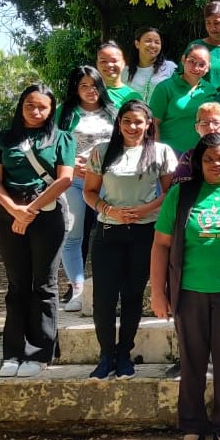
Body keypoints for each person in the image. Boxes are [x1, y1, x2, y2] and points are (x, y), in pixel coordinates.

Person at [150, 133, 220, 440]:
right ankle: (193, 425)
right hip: (189, 292)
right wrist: (159, 293)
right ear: (198, 162)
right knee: (192, 362)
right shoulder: (181, 195)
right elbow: (160, 245)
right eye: (209, 158)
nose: (216, 163)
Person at [83, 100, 177, 380]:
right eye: (127, 121)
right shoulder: (102, 152)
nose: (133, 127)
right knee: (104, 299)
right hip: (108, 232)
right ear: (119, 123)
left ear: (148, 123)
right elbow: (89, 191)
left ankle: (124, 354)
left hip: (144, 232)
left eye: (139, 121)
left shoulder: (160, 152)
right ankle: (106, 355)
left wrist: (145, 210)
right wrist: (108, 210)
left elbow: (170, 193)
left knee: (133, 295)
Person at [0, 84, 74, 378]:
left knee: (44, 284)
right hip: (11, 215)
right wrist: (16, 210)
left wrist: (31, 210)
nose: (36, 112)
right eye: (30, 106)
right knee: (17, 284)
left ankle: (40, 352)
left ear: (51, 110)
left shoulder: (62, 138)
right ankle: (13, 352)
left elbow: (64, 180)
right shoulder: (2, 139)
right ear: (20, 106)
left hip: (48, 216)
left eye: (43, 107)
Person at [55, 66, 116, 312]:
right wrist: (70, 164)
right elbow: (52, 145)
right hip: (76, 181)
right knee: (73, 236)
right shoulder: (65, 112)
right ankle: (78, 291)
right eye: (84, 86)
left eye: (95, 85)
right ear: (75, 89)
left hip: (109, 181)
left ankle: (109, 290)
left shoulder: (113, 112)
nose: (91, 91)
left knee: (111, 233)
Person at [149, 44, 218, 155]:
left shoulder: (211, 91)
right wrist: (157, 153)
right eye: (192, 61)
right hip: (169, 153)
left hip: (200, 154)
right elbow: (153, 123)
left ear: (208, 67)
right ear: (183, 60)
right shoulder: (165, 88)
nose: (196, 68)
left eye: (202, 64)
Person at [184, 1, 220, 89]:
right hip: (201, 100)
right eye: (208, 23)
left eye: (217, 23)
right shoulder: (196, 46)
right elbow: (183, 77)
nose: (212, 28)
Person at [123, 27, 177, 101]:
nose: (153, 45)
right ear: (137, 44)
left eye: (157, 42)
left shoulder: (170, 67)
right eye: (148, 41)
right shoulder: (125, 71)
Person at [96, 42, 143, 107]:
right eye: (103, 61)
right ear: (97, 64)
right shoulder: (87, 91)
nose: (109, 65)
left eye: (114, 61)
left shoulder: (133, 97)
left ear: (123, 63)